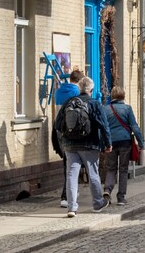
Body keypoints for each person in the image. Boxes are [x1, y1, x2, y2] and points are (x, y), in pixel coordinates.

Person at [54, 77, 112, 217]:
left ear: (79, 88)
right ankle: (97, 203)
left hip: (70, 145)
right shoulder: (94, 103)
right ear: (91, 90)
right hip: (90, 144)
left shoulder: (70, 102)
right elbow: (103, 125)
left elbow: (57, 125)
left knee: (71, 175)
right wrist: (108, 143)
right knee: (93, 173)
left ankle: (72, 207)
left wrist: (65, 140)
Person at [103, 86, 144, 206]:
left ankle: (107, 190)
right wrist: (141, 143)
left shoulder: (105, 109)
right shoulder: (127, 109)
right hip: (125, 142)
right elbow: (134, 127)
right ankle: (121, 197)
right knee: (123, 169)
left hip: (111, 143)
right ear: (123, 96)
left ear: (112, 96)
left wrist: (103, 144)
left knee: (111, 168)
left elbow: (103, 128)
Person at [52, 69, 83, 209]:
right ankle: (67, 195)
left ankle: (71, 192)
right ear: (80, 81)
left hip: (58, 129)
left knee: (68, 162)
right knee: (72, 164)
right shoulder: (76, 93)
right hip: (72, 130)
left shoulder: (58, 91)